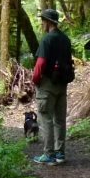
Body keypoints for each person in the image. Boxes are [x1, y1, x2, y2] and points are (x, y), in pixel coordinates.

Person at [31, 8, 73, 165]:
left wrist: (36, 79)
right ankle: (60, 153)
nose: (42, 23)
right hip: (62, 85)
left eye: (43, 20)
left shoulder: (47, 39)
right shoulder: (65, 39)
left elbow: (40, 63)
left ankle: (48, 155)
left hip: (47, 84)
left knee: (46, 118)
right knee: (60, 119)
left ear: (48, 22)